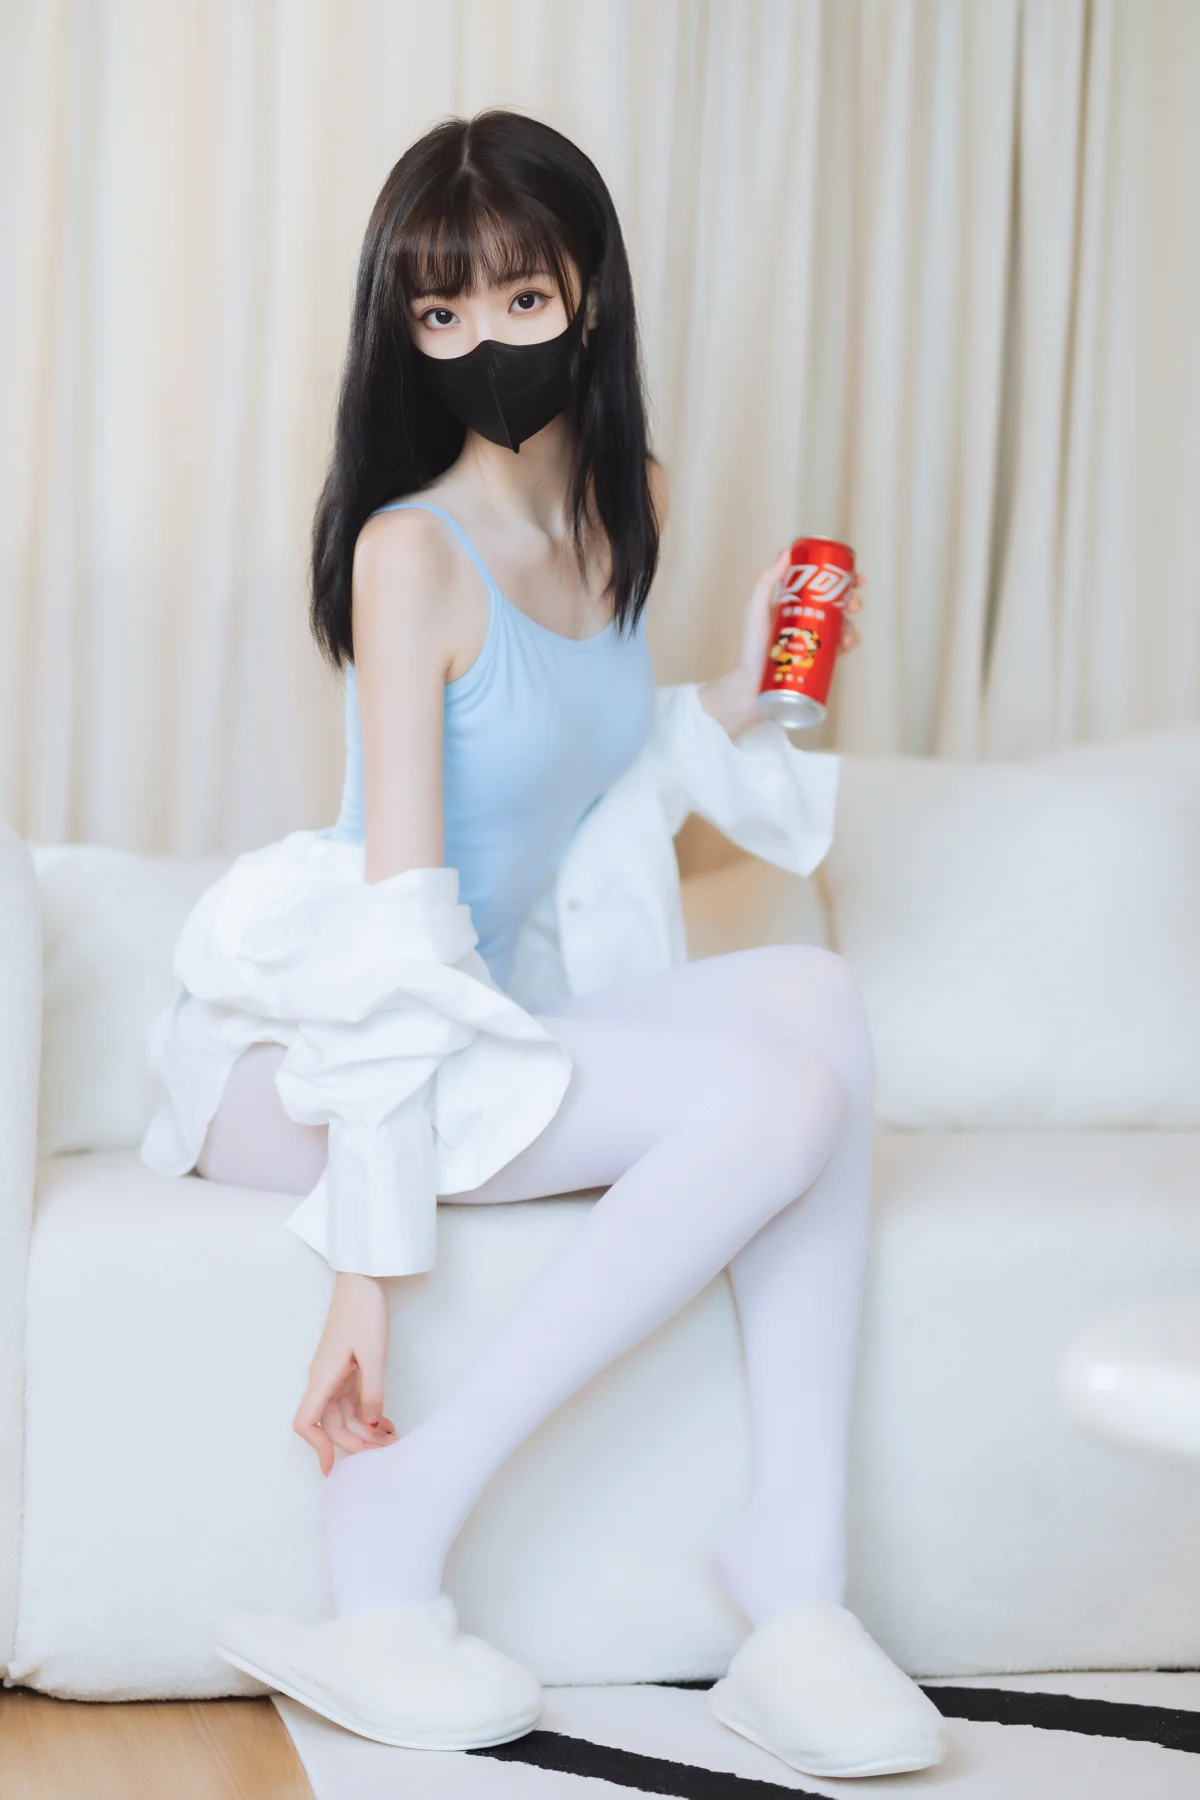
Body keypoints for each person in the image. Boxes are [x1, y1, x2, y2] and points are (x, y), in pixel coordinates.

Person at [152, 109, 945, 1779]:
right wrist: (366, 1270)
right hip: (313, 1054)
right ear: (403, 332)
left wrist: (758, 689)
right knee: (780, 1101)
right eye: (441, 315)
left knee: (818, 996)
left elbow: (593, 765)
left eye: (522, 301)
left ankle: (793, 1582)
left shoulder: (622, 504)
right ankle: (403, 1507)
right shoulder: (407, 555)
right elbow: (401, 923)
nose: (485, 346)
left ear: (591, 294)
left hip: (483, 1011)